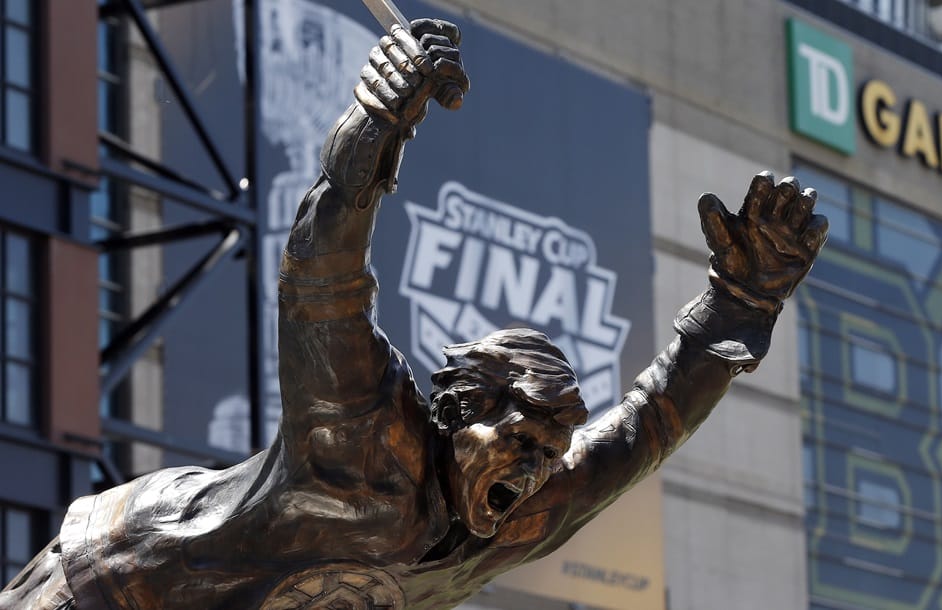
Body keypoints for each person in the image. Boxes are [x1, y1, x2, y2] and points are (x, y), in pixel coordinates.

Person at [0, 18, 827, 610]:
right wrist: (378, 121)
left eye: (550, 448)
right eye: (523, 437)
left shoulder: (527, 511)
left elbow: (654, 420)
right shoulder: (358, 427)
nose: (539, 466)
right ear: (457, 413)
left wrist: (742, 302)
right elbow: (321, 272)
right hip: (109, 583)